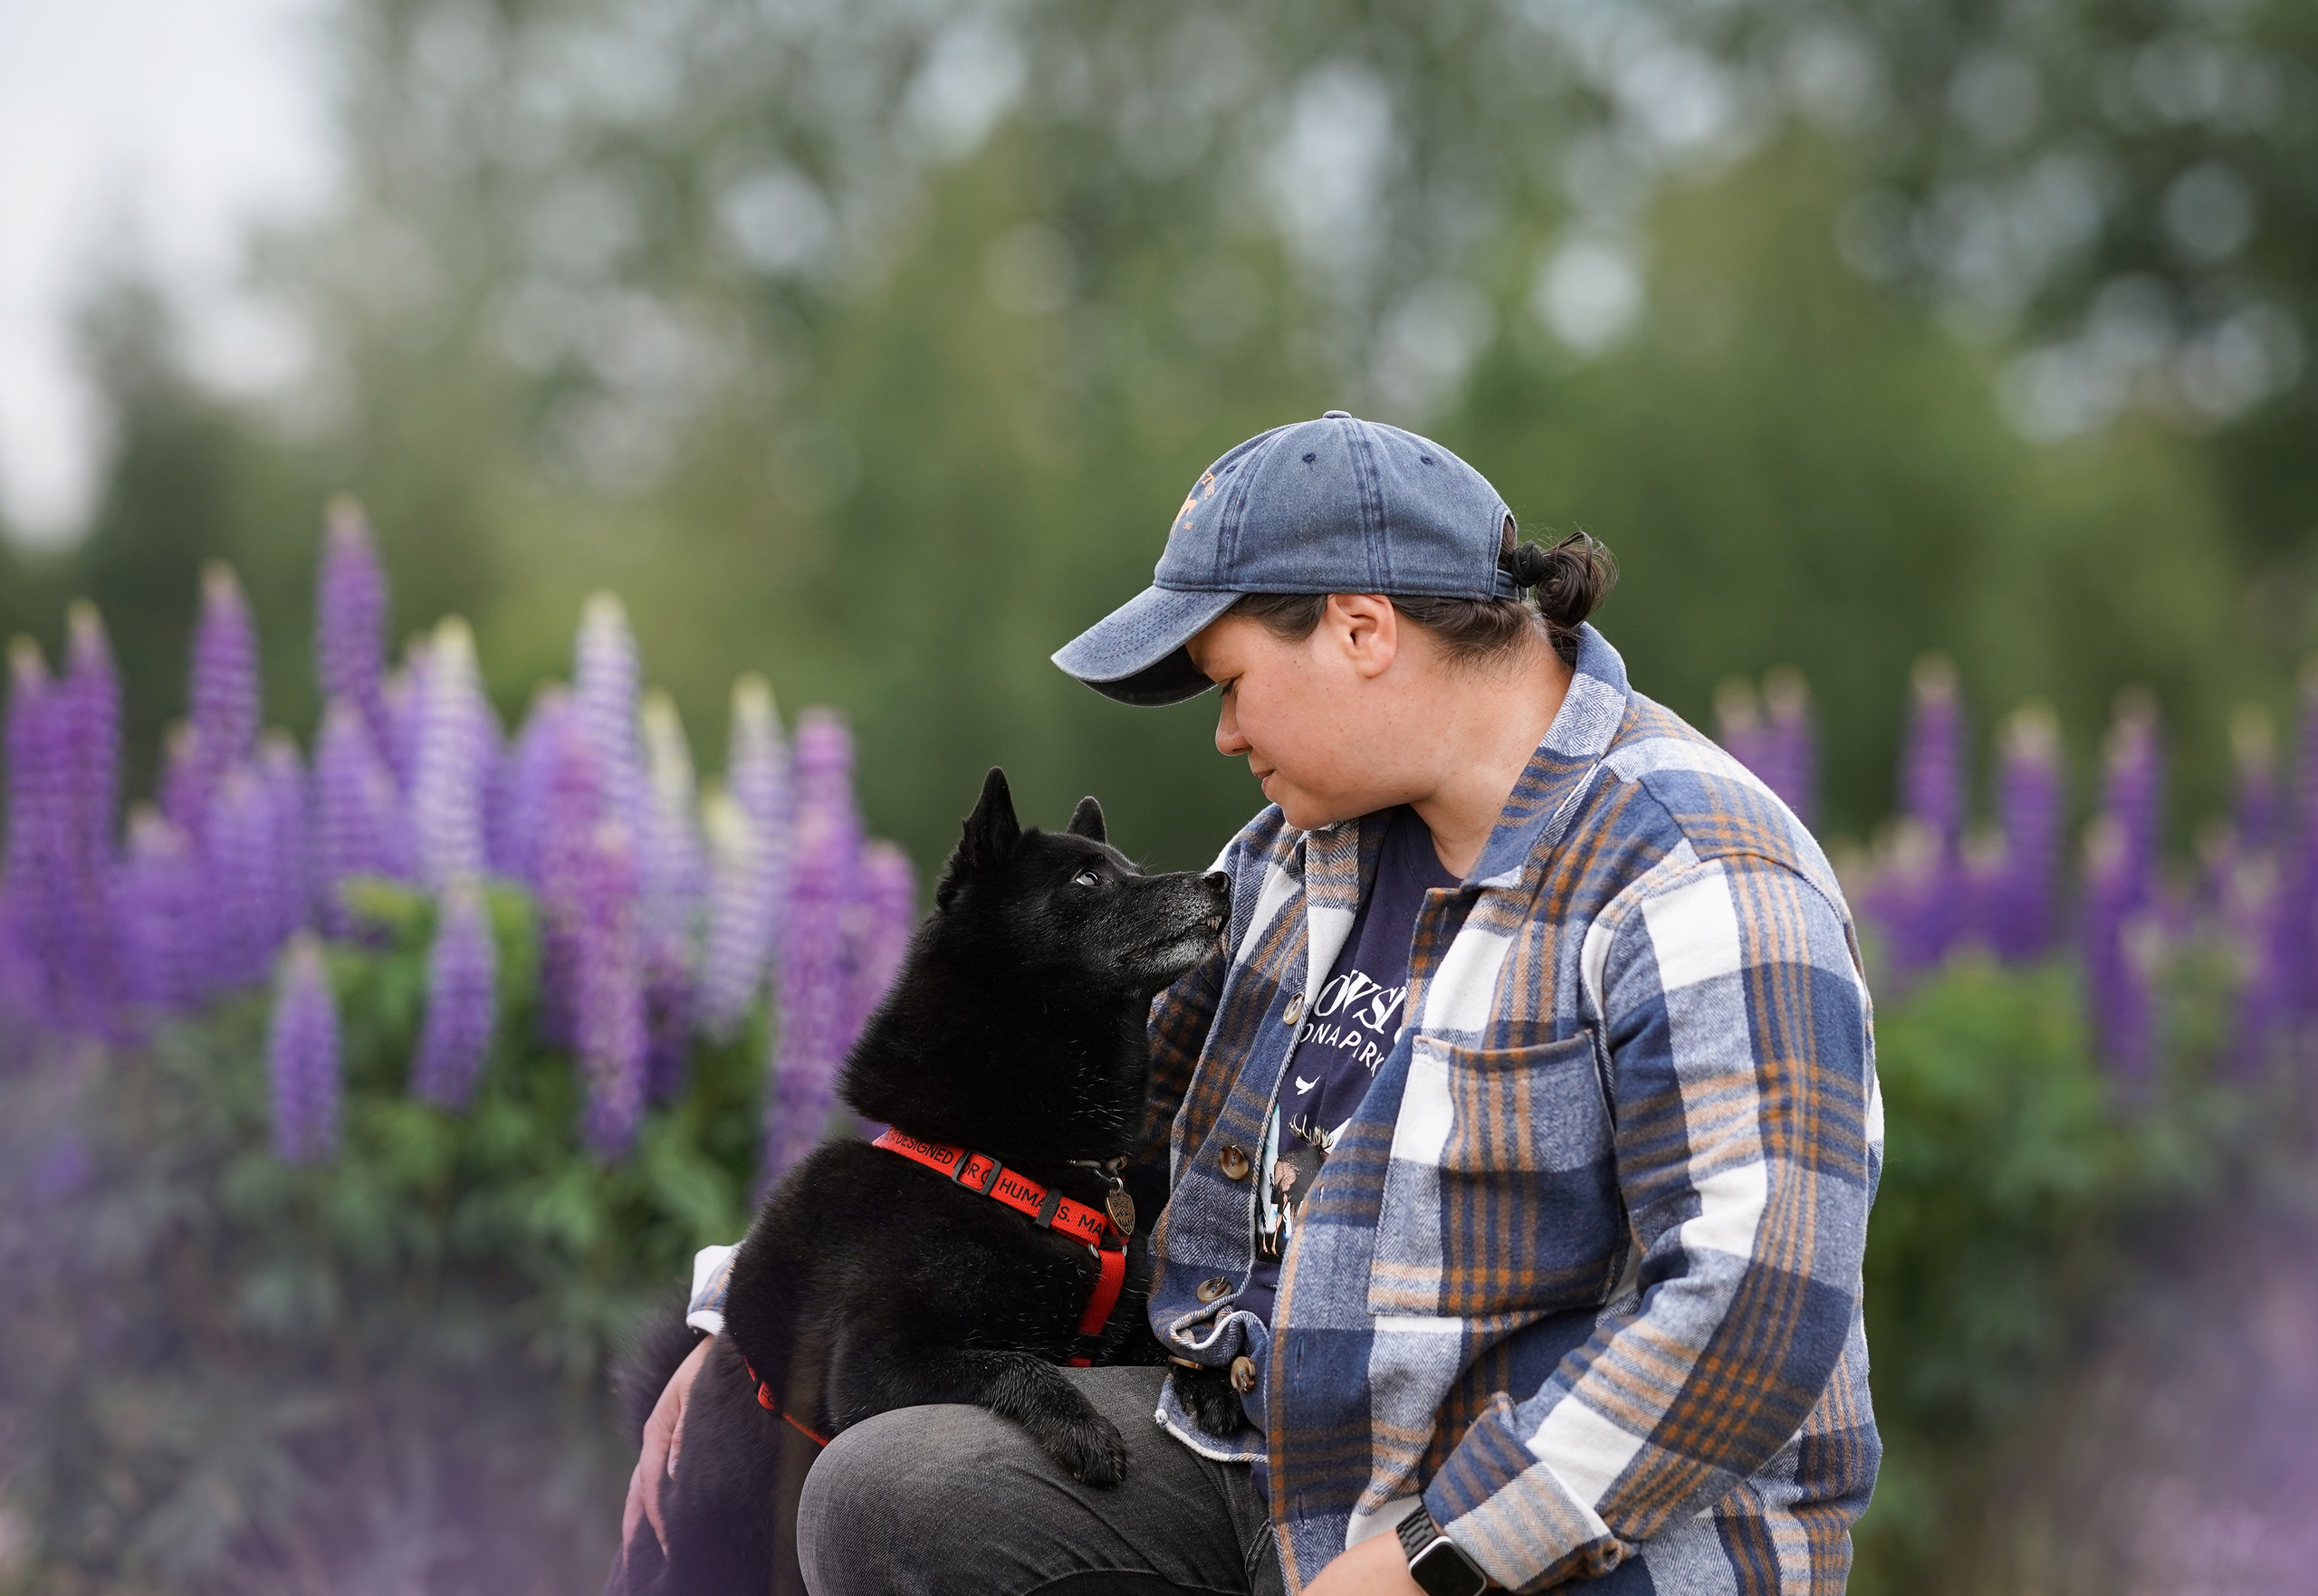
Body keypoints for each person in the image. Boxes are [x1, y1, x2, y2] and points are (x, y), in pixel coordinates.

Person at [625, 410, 1882, 1594]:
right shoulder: (1296, 859)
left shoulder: (1696, 874)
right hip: (1285, 1475)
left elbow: (1754, 1313)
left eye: (1229, 681)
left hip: (1559, 1549)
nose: (1225, 735)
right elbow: (1026, 1134)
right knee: (888, 1496)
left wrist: (1430, 1559)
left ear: (1359, 631)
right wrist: (758, 1322)